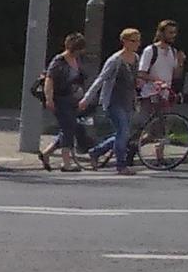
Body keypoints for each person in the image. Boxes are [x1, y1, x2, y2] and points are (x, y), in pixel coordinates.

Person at [82, 27, 144, 175]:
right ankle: (121, 165)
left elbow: (135, 78)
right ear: (124, 41)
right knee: (123, 132)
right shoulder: (115, 60)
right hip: (113, 101)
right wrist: (87, 98)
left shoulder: (136, 58)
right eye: (133, 40)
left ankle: (96, 152)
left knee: (123, 134)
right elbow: (101, 79)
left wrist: (140, 84)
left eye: (138, 41)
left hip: (128, 101)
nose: (137, 44)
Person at [40, 32, 91, 171]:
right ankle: (66, 163)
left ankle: (46, 153)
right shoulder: (59, 61)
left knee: (69, 128)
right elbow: (49, 80)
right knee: (68, 129)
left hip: (73, 100)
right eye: (78, 49)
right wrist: (49, 99)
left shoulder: (77, 61)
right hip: (60, 100)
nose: (80, 52)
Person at [136, 19, 183, 112]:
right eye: (170, 32)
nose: (173, 35)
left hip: (165, 96)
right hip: (150, 95)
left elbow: (176, 75)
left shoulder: (173, 52)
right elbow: (141, 73)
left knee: (164, 124)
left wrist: (180, 63)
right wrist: (157, 80)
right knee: (150, 124)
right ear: (161, 34)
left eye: (174, 33)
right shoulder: (151, 50)